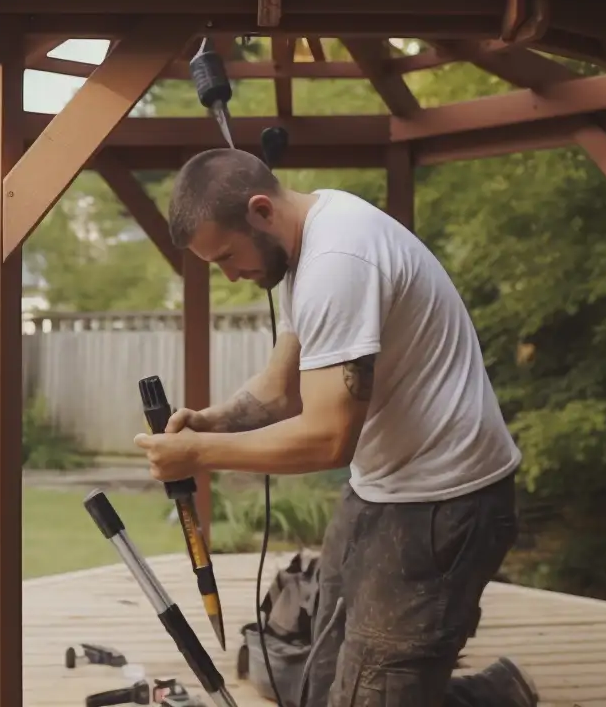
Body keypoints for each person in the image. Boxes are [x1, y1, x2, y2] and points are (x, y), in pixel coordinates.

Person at [133, 147, 539, 707]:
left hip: (447, 505)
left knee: (376, 693)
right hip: (381, 491)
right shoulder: (305, 252)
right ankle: (501, 691)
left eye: (227, 255)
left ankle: (496, 696)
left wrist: (199, 455)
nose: (231, 275)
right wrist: (210, 421)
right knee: (319, 683)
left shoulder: (339, 260)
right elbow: (281, 391)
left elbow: (328, 438)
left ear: (260, 210)